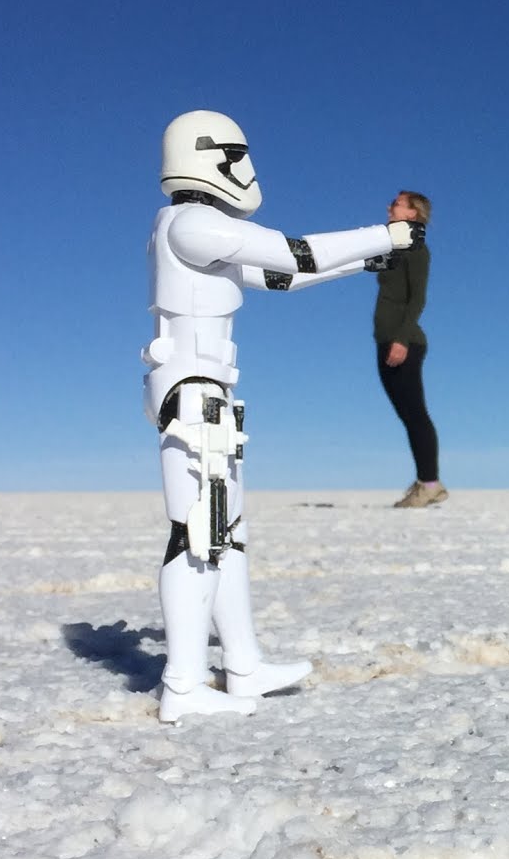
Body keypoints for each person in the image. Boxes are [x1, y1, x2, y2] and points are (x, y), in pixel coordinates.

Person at [145, 110, 425, 722]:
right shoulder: (192, 223)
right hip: (193, 394)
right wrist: (383, 236)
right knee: (198, 537)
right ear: (210, 157)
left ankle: (243, 666)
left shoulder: (198, 231)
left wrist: (367, 262)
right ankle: (184, 685)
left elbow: (277, 276)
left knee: (227, 535)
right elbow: (292, 254)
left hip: (208, 394)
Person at [371, 191, 446, 508]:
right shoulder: (394, 247)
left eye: (397, 204)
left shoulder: (417, 250)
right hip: (386, 339)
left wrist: (401, 339)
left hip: (405, 342)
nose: (389, 207)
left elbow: (418, 299)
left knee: (415, 414)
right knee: (408, 415)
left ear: (413, 213)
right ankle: (425, 482)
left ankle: (430, 484)